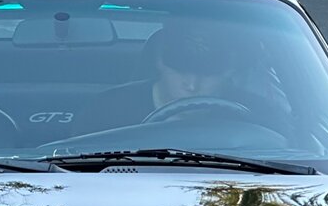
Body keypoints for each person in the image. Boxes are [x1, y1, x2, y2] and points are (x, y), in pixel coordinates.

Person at [72, 24, 245, 136]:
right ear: (159, 62)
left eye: (207, 74)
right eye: (179, 70)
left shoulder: (258, 115)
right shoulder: (105, 112)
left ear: (231, 71)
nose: (192, 85)